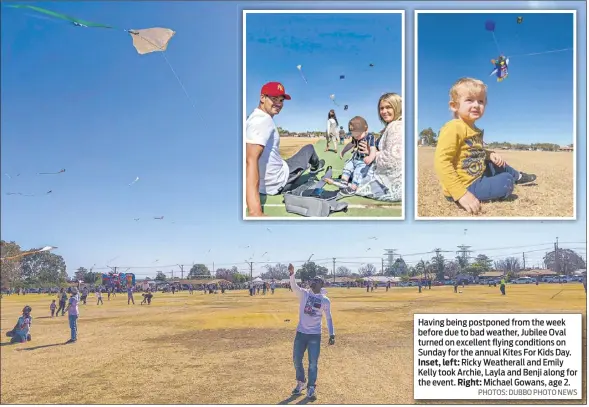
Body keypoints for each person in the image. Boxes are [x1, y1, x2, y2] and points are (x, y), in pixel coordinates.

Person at [434, 78, 536, 215]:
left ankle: (518, 176)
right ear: (454, 106)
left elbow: (473, 151)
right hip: (465, 185)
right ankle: (511, 179)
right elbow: (442, 162)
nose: (476, 105)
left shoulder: (474, 129)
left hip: (476, 172)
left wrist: (489, 154)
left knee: (496, 163)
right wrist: (460, 193)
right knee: (506, 181)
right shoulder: (453, 127)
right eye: (469, 100)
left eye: (481, 101)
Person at [245, 82, 325, 217]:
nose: (279, 103)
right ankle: (315, 167)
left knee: (286, 158)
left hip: (270, 178)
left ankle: (314, 165)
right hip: (279, 181)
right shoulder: (263, 121)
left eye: (281, 100)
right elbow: (250, 160)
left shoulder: (253, 118)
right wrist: (255, 212)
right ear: (262, 98)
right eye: (274, 99)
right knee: (309, 148)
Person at [288, 264, 335, 401]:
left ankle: (311, 387)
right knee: (297, 359)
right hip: (301, 333)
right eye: (313, 280)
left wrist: (332, 334)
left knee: (313, 362)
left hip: (315, 335)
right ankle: (301, 382)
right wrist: (292, 274)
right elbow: (294, 287)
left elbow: (329, 318)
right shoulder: (304, 294)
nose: (313, 282)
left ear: (321, 284)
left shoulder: (325, 300)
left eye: (317, 280)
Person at [351, 92, 404, 202]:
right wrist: (370, 150)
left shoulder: (396, 126)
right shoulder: (394, 125)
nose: (384, 111)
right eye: (381, 108)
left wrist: (373, 155)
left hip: (391, 186)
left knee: (356, 184)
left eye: (388, 107)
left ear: (397, 107)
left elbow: (392, 159)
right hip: (396, 182)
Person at [333, 116, 377, 196]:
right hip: (355, 158)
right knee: (348, 165)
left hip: (363, 161)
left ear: (365, 129)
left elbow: (373, 148)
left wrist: (370, 157)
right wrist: (343, 151)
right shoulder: (356, 137)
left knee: (359, 171)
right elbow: (352, 143)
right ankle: (344, 181)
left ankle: (353, 187)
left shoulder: (369, 136)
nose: (356, 137)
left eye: (358, 134)